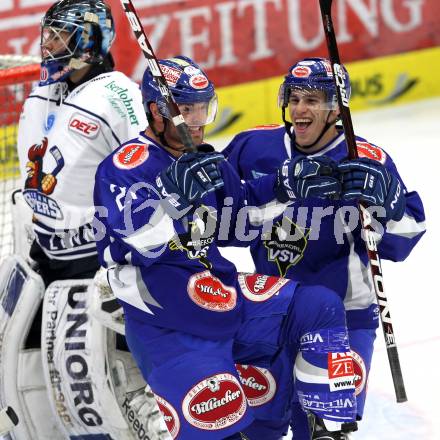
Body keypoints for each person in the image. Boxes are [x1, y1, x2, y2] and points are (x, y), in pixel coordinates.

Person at [94, 55, 358, 440]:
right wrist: (172, 196)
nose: (198, 120)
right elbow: (136, 242)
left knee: (318, 307)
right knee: (222, 430)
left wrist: (284, 185)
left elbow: (241, 217)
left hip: (224, 297)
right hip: (170, 325)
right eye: (187, 109)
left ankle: (321, 429)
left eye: (203, 108)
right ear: (156, 110)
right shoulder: (125, 167)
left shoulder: (203, 159)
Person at [222, 57, 426, 438]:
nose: (300, 109)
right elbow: (214, 220)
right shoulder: (253, 148)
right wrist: (277, 192)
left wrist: (388, 204)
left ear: (337, 108)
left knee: (328, 430)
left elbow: (405, 240)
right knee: (257, 429)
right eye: (295, 98)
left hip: (344, 315)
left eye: (313, 100)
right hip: (268, 312)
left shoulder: (364, 160)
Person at [6, 0, 160, 438]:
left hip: (94, 258)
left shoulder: (120, 95)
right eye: (48, 34)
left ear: (90, 42)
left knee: (93, 379)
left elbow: (153, 163)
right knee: (22, 362)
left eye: (61, 36)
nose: (48, 44)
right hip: (44, 253)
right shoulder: (43, 88)